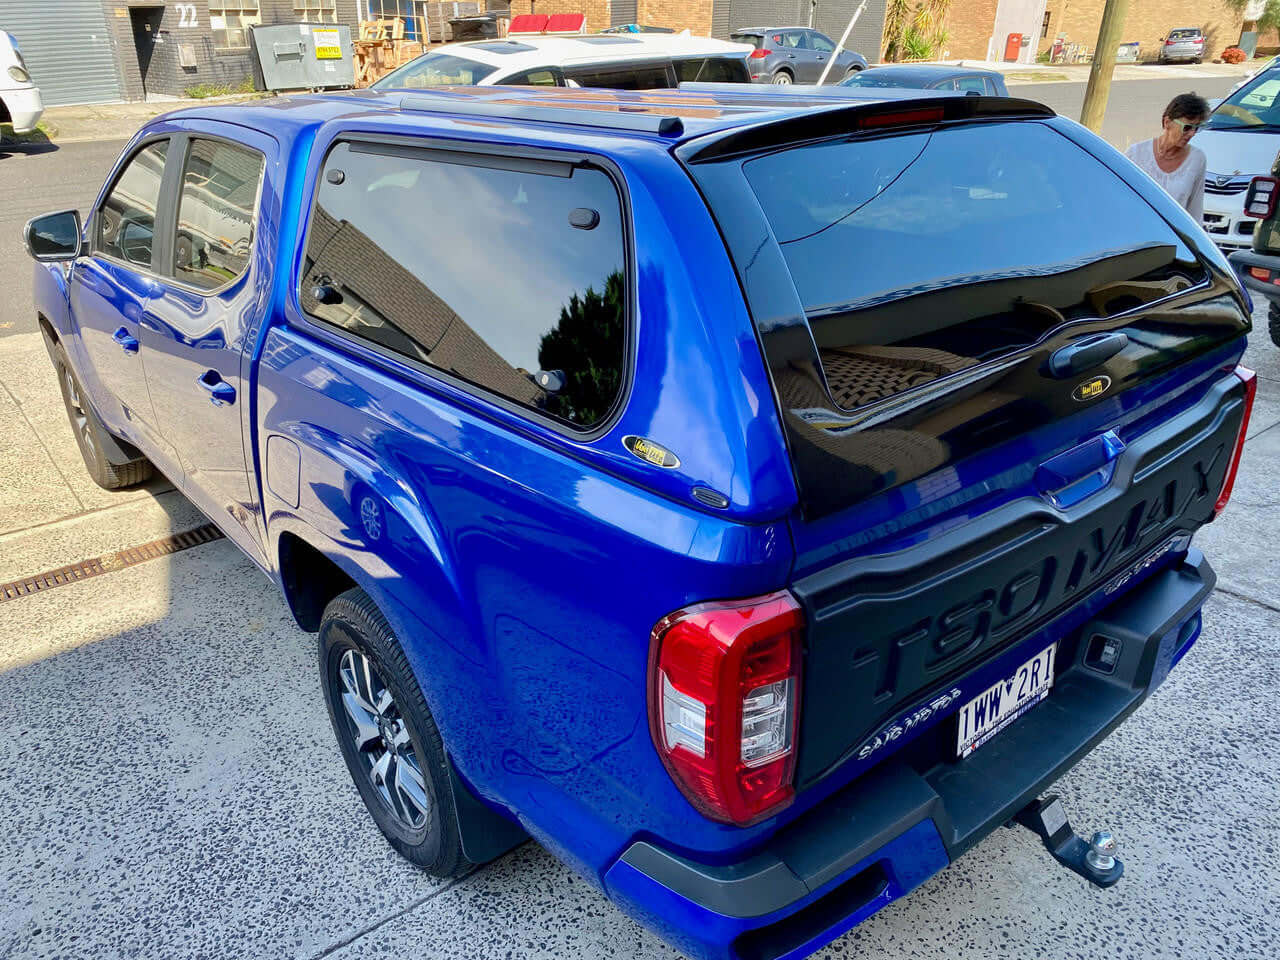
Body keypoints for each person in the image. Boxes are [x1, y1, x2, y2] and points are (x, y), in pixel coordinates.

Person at [1124, 93, 1210, 222]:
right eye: (1187, 127)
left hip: (1172, 238)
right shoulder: (1136, 154)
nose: (1191, 134)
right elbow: (1122, 200)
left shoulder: (1197, 159)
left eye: (1196, 128)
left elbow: (1195, 211)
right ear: (1167, 122)